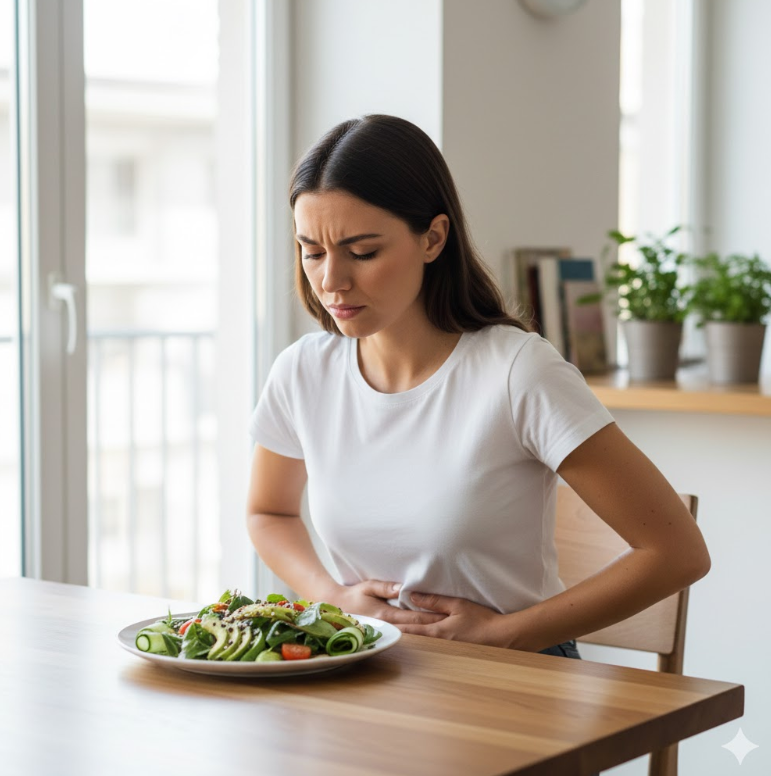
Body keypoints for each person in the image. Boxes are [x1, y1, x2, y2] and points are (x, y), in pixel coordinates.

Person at [245, 114, 711, 658]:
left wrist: (504, 634)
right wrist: (333, 597)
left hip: (511, 674)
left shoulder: (517, 373)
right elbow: (268, 513)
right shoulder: (303, 372)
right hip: (372, 668)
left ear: (433, 238)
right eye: (313, 251)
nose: (331, 281)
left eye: (363, 251)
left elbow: (677, 552)